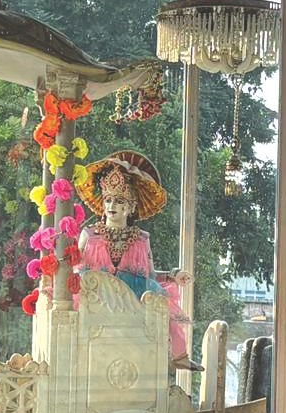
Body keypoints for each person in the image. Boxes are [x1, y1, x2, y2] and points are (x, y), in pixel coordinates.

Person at [75, 151, 201, 371]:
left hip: (131, 304)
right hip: (95, 301)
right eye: (108, 199)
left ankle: (179, 357)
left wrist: (172, 275)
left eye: (119, 200)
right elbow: (74, 270)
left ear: (130, 207)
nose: (111, 205)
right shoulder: (89, 234)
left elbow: (149, 277)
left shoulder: (142, 239)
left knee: (161, 299)